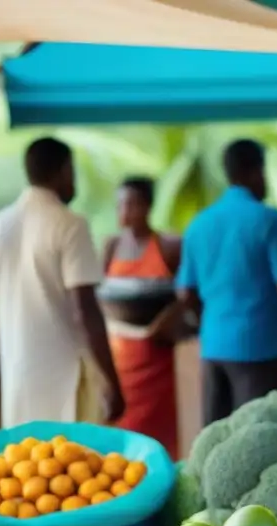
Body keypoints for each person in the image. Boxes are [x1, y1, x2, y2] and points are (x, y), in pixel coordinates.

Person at [176, 139, 277, 425]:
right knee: (261, 440)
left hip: (214, 348)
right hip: (261, 348)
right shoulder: (269, 219)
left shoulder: (199, 223)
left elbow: (184, 292)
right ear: (255, 172)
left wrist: (211, 320)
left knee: (216, 441)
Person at [0, 137, 124, 428]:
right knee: (73, 465)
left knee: (24, 465)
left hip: (16, 372)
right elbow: (85, 309)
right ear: (64, 170)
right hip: (64, 376)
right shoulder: (69, 224)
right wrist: (111, 378)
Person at [102, 177, 182, 457]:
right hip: (120, 358)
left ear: (148, 207)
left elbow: (187, 297)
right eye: (121, 204)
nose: (125, 211)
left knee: (157, 436)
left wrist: (164, 325)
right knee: (121, 438)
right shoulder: (111, 246)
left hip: (156, 360)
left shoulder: (168, 247)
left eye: (133, 204)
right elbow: (101, 296)